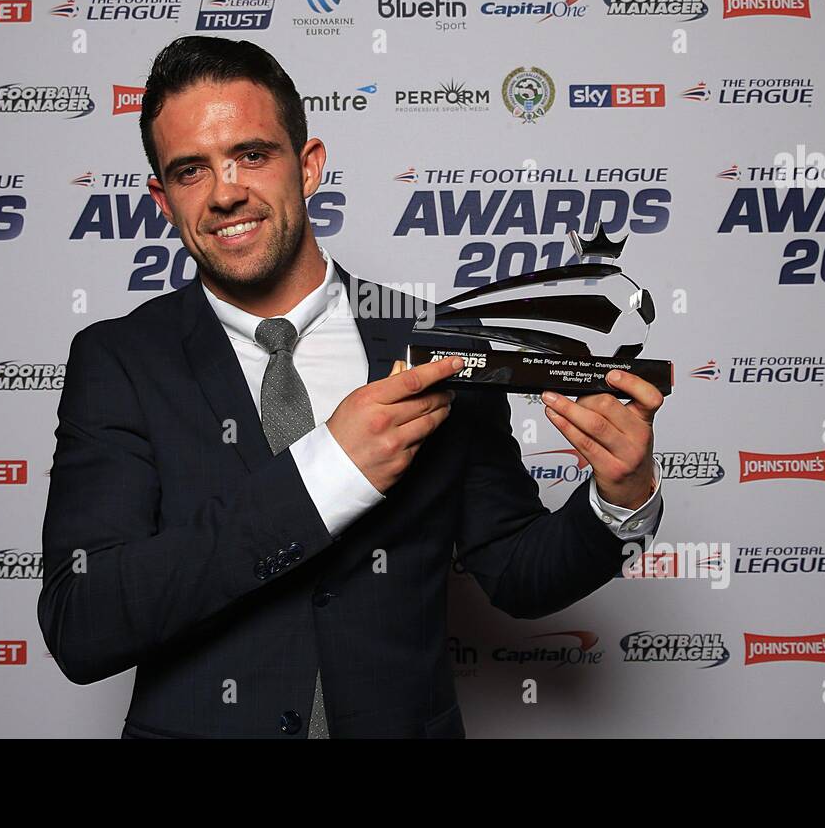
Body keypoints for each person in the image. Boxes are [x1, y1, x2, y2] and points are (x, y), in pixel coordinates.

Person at [38, 36, 666, 738]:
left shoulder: (435, 343)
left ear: (307, 167)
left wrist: (620, 500)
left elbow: (516, 569)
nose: (225, 191)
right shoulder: (119, 361)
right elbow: (82, 620)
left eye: (252, 154)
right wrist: (331, 468)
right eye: (191, 170)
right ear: (162, 197)